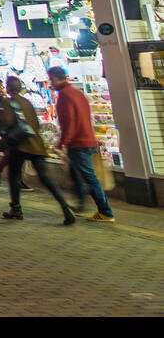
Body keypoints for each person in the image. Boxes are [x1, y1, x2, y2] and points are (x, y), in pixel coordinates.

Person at [0, 75, 76, 223]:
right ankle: (65, 208)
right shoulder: (27, 102)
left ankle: (16, 208)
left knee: (13, 176)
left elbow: (9, 121)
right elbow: (36, 124)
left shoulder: (8, 102)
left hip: (19, 145)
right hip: (36, 144)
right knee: (46, 179)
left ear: (9, 88)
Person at [51, 66, 115, 222]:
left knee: (89, 177)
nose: (50, 83)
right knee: (75, 173)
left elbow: (69, 123)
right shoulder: (78, 93)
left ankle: (105, 212)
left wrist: (61, 144)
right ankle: (81, 204)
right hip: (87, 139)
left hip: (78, 143)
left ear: (54, 79)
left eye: (50, 79)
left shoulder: (64, 96)